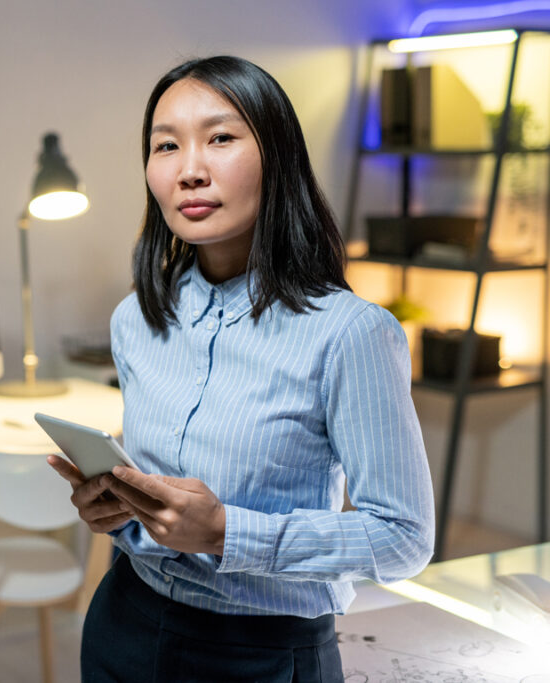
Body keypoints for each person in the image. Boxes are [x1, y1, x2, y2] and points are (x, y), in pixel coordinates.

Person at [48, 55, 435, 682]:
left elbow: (403, 539)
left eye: (221, 138)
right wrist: (115, 512)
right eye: (166, 146)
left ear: (277, 158)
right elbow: (157, 505)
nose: (190, 170)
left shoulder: (350, 333)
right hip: (124, 622)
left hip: (261, 655)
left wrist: (228, 531)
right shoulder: (137, 319)